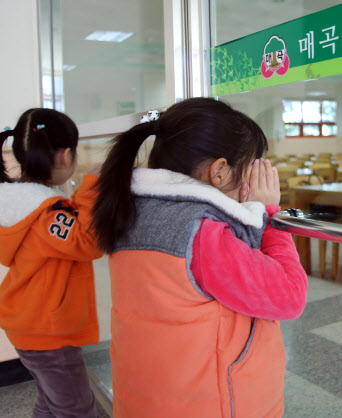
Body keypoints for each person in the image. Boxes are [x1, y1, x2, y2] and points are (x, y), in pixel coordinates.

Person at [91, 98, 308, 418]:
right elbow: (289, 296)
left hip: (148, 398)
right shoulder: (203, 234)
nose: (252, 185)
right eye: (250, 170)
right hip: (209, 405)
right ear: (219, 171)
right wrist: (269, 215)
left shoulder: (131, 212)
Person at [0, 108, 103, 418]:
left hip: (27, 323)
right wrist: (91, 186)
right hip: (47, 333)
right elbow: (89, 241)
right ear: (66, 157)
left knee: (52, 403)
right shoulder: (45, 213)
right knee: (77, 410)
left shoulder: (13, 204)